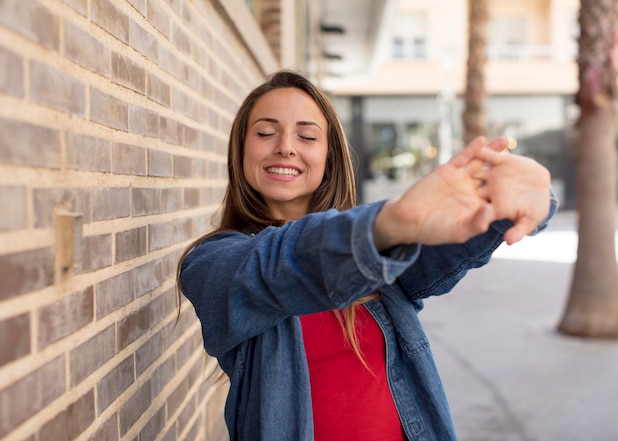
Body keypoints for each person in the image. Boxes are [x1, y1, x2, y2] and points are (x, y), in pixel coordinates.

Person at [177, 70, 558, 441]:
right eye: (265, 132)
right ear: (240, 149)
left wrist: (506, 199)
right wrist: (392, 222)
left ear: (329, 156)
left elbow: (444, 248)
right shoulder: (214, 263)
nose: (286, 146)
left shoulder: (382, 251)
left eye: (307, 135)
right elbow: (281, 263)